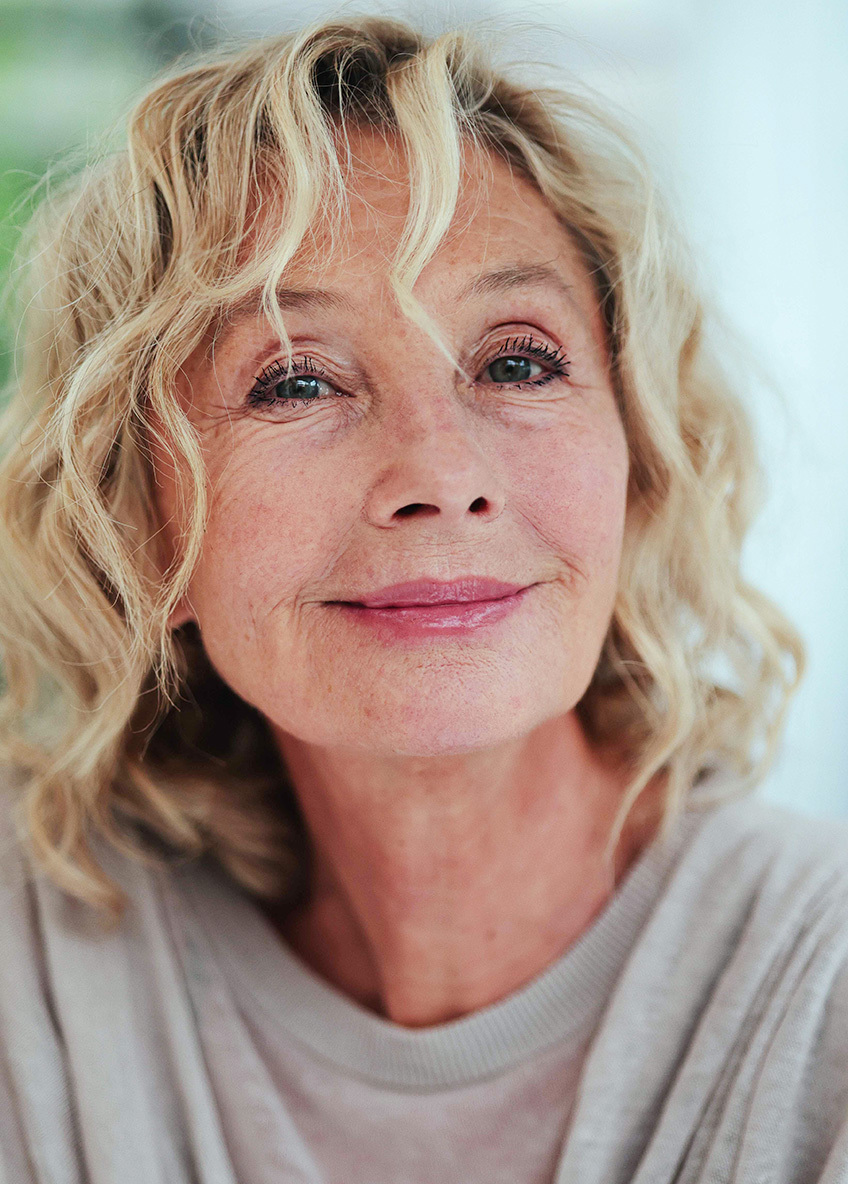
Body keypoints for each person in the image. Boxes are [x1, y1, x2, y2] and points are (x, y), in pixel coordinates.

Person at [0, 14, 845, 1184]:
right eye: (295, 380)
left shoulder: (821, 990)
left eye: (516, 361)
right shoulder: (36, 963)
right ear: (136, 523)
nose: (440, 475)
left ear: (637, 463)